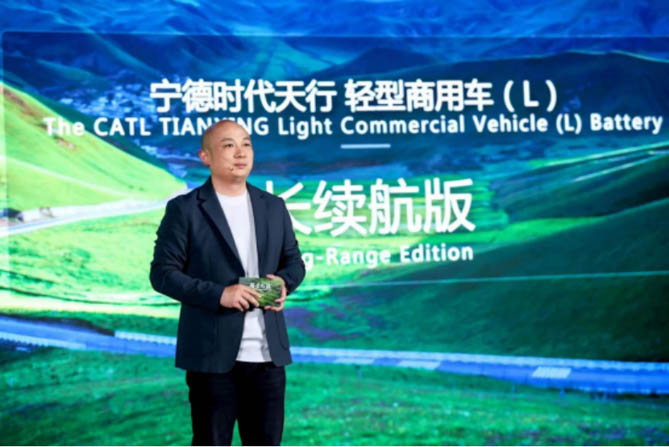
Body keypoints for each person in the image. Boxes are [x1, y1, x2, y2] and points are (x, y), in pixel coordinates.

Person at [149, 120, 306, 446]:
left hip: (268, 358)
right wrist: (220, 294)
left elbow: (294, 262)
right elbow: (163, 274)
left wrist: (284, 283)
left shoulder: (273, 206)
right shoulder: (185, 209)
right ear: (205, 157)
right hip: (211, 359)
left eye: (246, 144)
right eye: (229, 145)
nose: (240, 153)